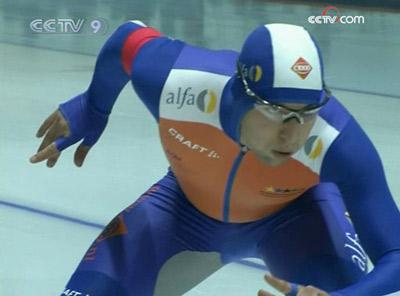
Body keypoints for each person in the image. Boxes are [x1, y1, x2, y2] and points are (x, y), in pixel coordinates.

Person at [30, 20, 400, 296]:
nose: (293, 133)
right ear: (241, 96)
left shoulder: (338, 141)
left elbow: (395, 256)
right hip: (182, 212)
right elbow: (127, 39)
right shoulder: (179, 81)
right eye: (276, 112)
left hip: (299, 224)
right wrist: (93, 107)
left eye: (306, 114)